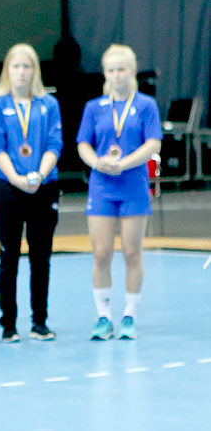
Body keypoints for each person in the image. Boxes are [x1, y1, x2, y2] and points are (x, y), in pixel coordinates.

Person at [75, 43, 162, 339]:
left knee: (131, 252)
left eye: (122, 69)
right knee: (101, 254)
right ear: (105, 73)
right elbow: (83, 144)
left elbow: (153, 144)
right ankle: (103, 316)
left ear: (132, 70)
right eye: (111, 70)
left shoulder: (146, 105)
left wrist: (123, 164)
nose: (117, 75)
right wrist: (96, 163)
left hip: (133, 186)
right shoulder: (93, 107)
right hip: (102, 187)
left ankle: (129, 314)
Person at [0, 43, 63, 341]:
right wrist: (16, 178)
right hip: (8, 186)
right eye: (16, 66)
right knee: (9, 256)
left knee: (41, 257)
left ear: (34, 71)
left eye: (27, 66)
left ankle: (39, 322)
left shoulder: (48, 104)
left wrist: (39, 175)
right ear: (7, 70)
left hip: (43, 184)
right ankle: (8, 325)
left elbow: (55, 143)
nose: (21, 72)